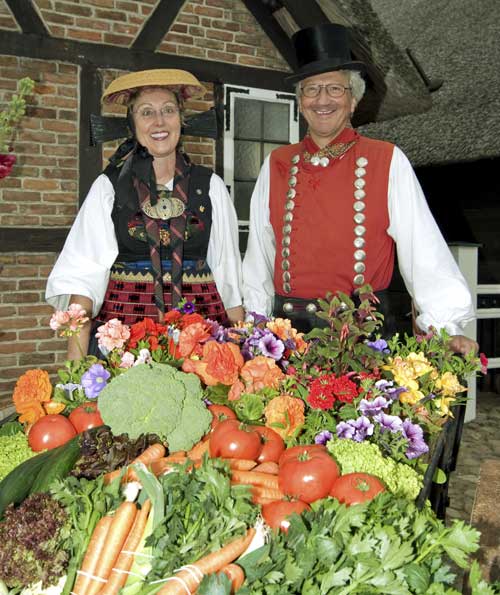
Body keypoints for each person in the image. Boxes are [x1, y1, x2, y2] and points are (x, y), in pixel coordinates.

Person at [242, 24, 477, 355]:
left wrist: (445, 324)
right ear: (300, 101)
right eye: (311, 90)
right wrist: (255, 325)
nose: (322, 100)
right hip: (288, 339)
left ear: (353, 100)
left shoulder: (387, 159)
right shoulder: (276, 164)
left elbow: (421, 245)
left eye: (335, 90)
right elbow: (259, 256)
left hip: (362, 338)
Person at [46, 69, 244, 359]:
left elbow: (228, 275)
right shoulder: (109, 187)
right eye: (146, 112)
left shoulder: (209, 186)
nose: (159, 121)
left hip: (201, 341)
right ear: (132, 123)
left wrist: (243, 355)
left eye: (168, 110)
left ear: (181, 119)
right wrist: (75, 375)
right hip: (124, 344)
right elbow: (83, 280)